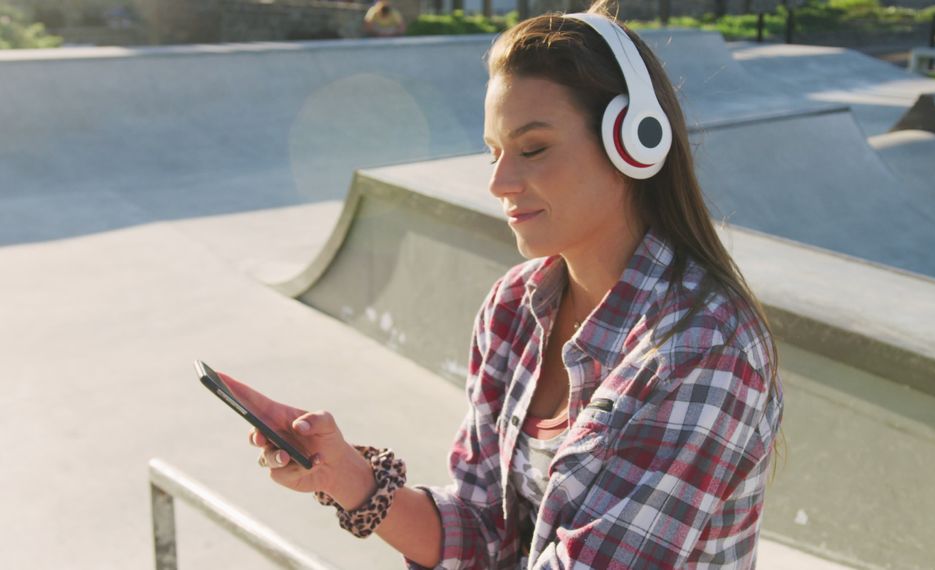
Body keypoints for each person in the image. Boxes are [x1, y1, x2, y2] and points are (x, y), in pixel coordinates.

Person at [223, 2, 784, 567]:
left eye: (532, 148)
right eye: (494, 153)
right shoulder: (514, 307)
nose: (498, 182)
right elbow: (482, 531)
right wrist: (345, 475)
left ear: (634, 143)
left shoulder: (703, 350)